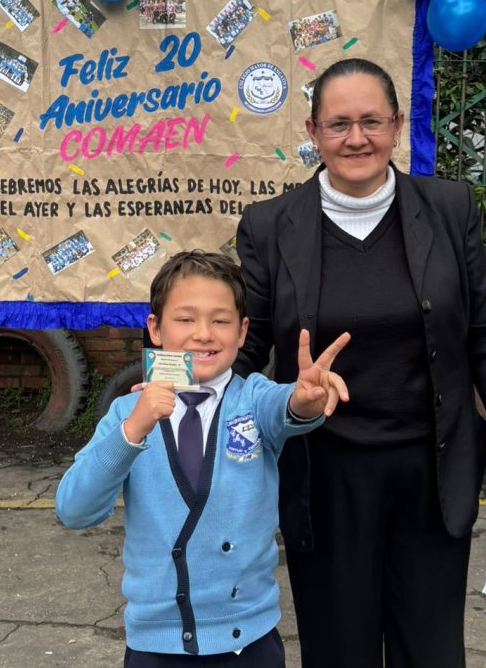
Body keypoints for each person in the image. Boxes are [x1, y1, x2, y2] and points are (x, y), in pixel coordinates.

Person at [233, 58, 486, 667]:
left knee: (430, 650)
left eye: (371, 121)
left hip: (431, 471)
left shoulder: (450, 208)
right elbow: (243, 348)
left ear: (397, 124)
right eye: (338, 124)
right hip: (325, 474)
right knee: (338, 650)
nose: (356, 138)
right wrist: (175, 400)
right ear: (312, 132)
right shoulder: (270, 226)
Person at [55, 250, 350, 667]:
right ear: (155, 328)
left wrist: (305, 401)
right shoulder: (126, 414)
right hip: (155, 646)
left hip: (248, 642)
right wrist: (134, 428)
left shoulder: (253, 399)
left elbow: (287, 408)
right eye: (185, 319)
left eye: (221, 321)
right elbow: (74, 509)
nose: (204, 334)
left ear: (242, 331)